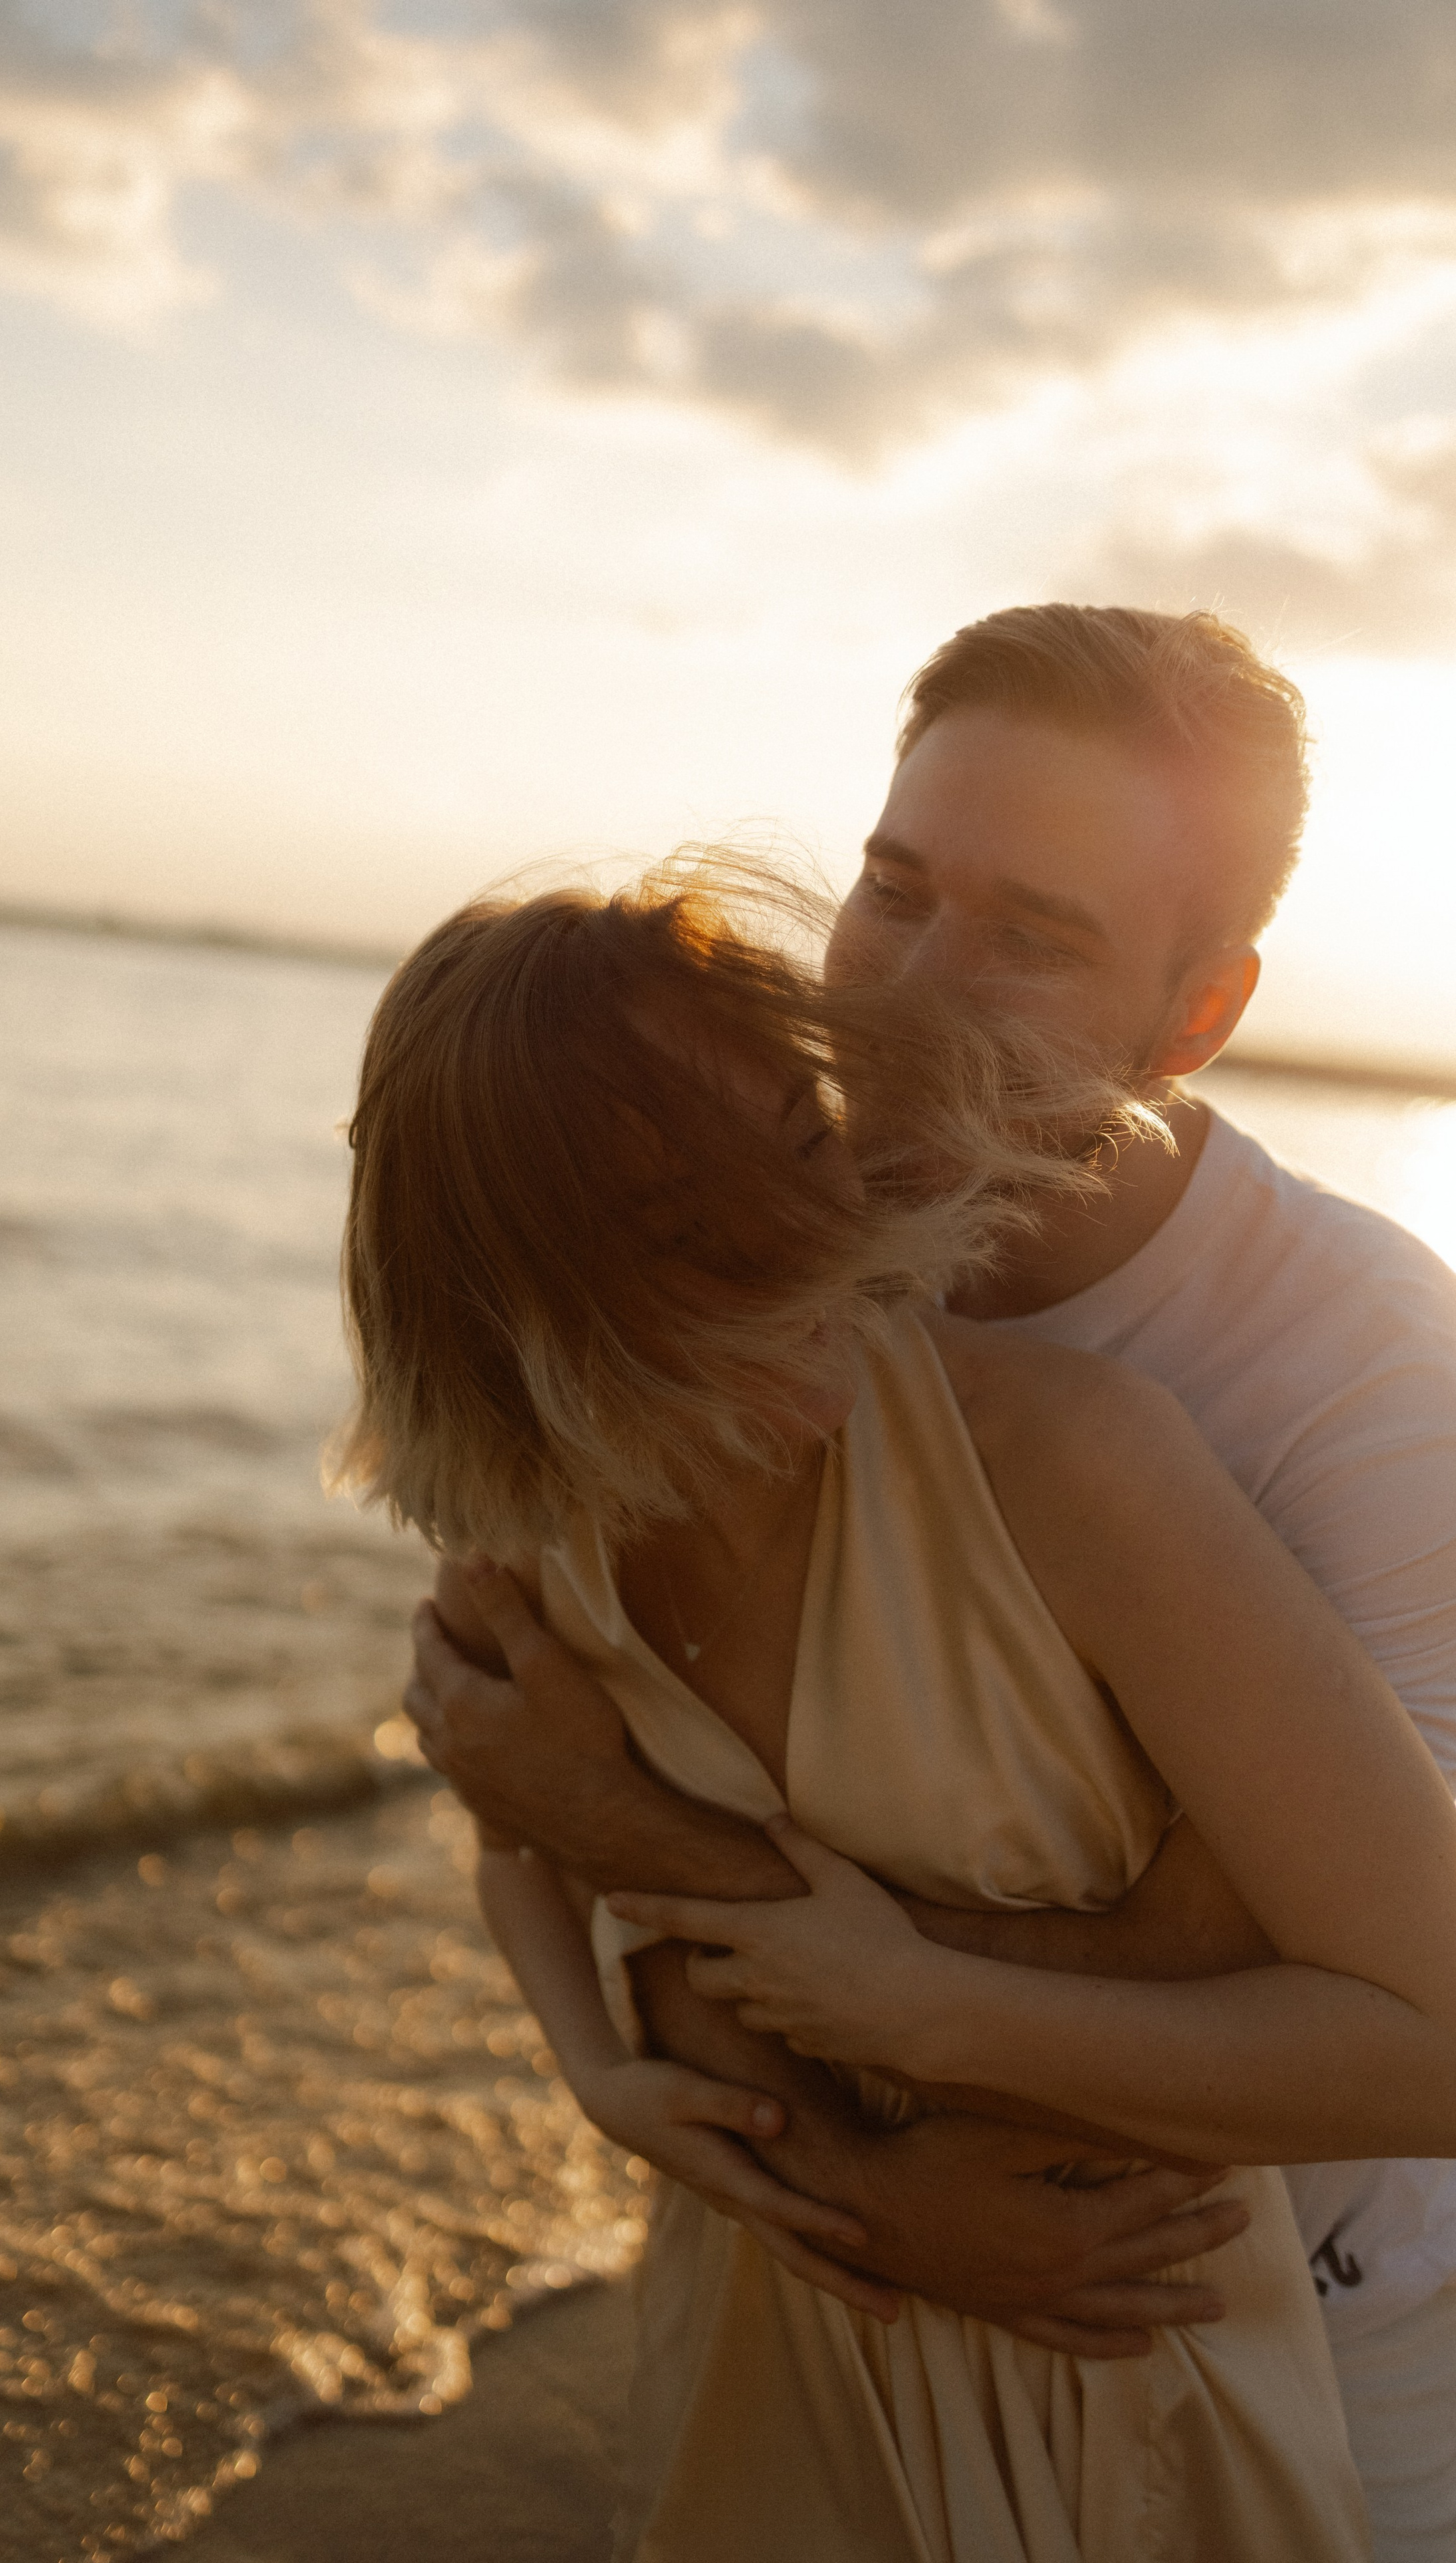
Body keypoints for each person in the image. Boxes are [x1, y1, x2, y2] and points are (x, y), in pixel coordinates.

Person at [403, 607, 1456, 2560]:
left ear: (1193, 1018)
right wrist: (701, 2087)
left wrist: (646, 1855)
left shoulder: (1361, 1371)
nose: (900, 992)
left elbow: (1368, 1975)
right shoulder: (753, 1252)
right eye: (893, 890)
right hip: (832, 2317)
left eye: (1034, 937)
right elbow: (520, 1718)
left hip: (1275, 2329)